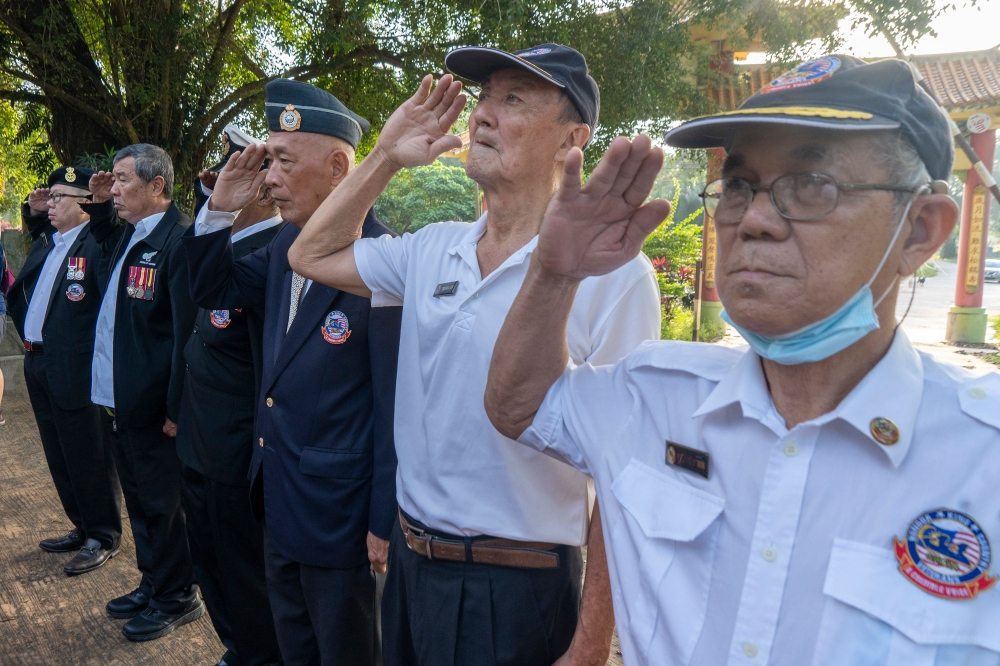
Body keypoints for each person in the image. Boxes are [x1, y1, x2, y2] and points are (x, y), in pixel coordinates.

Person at [484, 55, 1000, 665]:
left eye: (812, 185)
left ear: (919, 230)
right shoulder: (655, 396)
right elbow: (519, 406)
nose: (753, 219)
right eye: (737, 186)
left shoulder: (981, 461)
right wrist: (554, 271)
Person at [287, 44, 661, 666]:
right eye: (484, 96)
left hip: (518, 586)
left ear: (573, 137)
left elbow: (628, 475)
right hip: (410, 567)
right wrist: (383, 157)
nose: (483, 113)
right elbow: (310, 255)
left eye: (512, 98)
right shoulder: (434, 248)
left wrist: (592, 642)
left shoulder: (615, 274)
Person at [182, 79, 401, 666]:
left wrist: (384, 520)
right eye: (267, 160)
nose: (269, 177)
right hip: (277, 500)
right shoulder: (285, 244)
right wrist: (220, 209)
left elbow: (393, 406)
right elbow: (212, 288)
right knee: (295, 648)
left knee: (346, 652)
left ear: (337, 167)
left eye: (283, 160)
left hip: (342, 520)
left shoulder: (386, 262)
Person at [85, 144, 203, 641]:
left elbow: (184, 335)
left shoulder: (178, 240)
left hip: (156, 411)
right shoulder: (134, 236)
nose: (114, 190)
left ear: (157, 186)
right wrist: (96, 203)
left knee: (164, 506)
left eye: (123, 180)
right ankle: (154, 581)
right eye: (113, 180)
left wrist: (175, 408)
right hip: (123, 401)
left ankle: (178, 597)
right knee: (140, 502)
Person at [176, 127, 283, 666]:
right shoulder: (223, 251)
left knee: (246, 574)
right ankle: (237, 649)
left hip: (238, 452)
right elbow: (195, 339)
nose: (219, 186)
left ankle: (259, 654)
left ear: (264, 190)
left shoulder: (275, 256)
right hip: (199, 441)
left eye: (234, 176)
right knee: (209, 564)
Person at [7, 167, 123, 575]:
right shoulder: (51, 244)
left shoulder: (96, 244)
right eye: (50, 197)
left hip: (75, 363)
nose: (52, 203)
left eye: (60, 197)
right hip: (38, 359)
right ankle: (81, 524)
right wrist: (35, 213)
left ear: (86, 205)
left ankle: (103, 534)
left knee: (88, 452)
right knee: (59, 453)